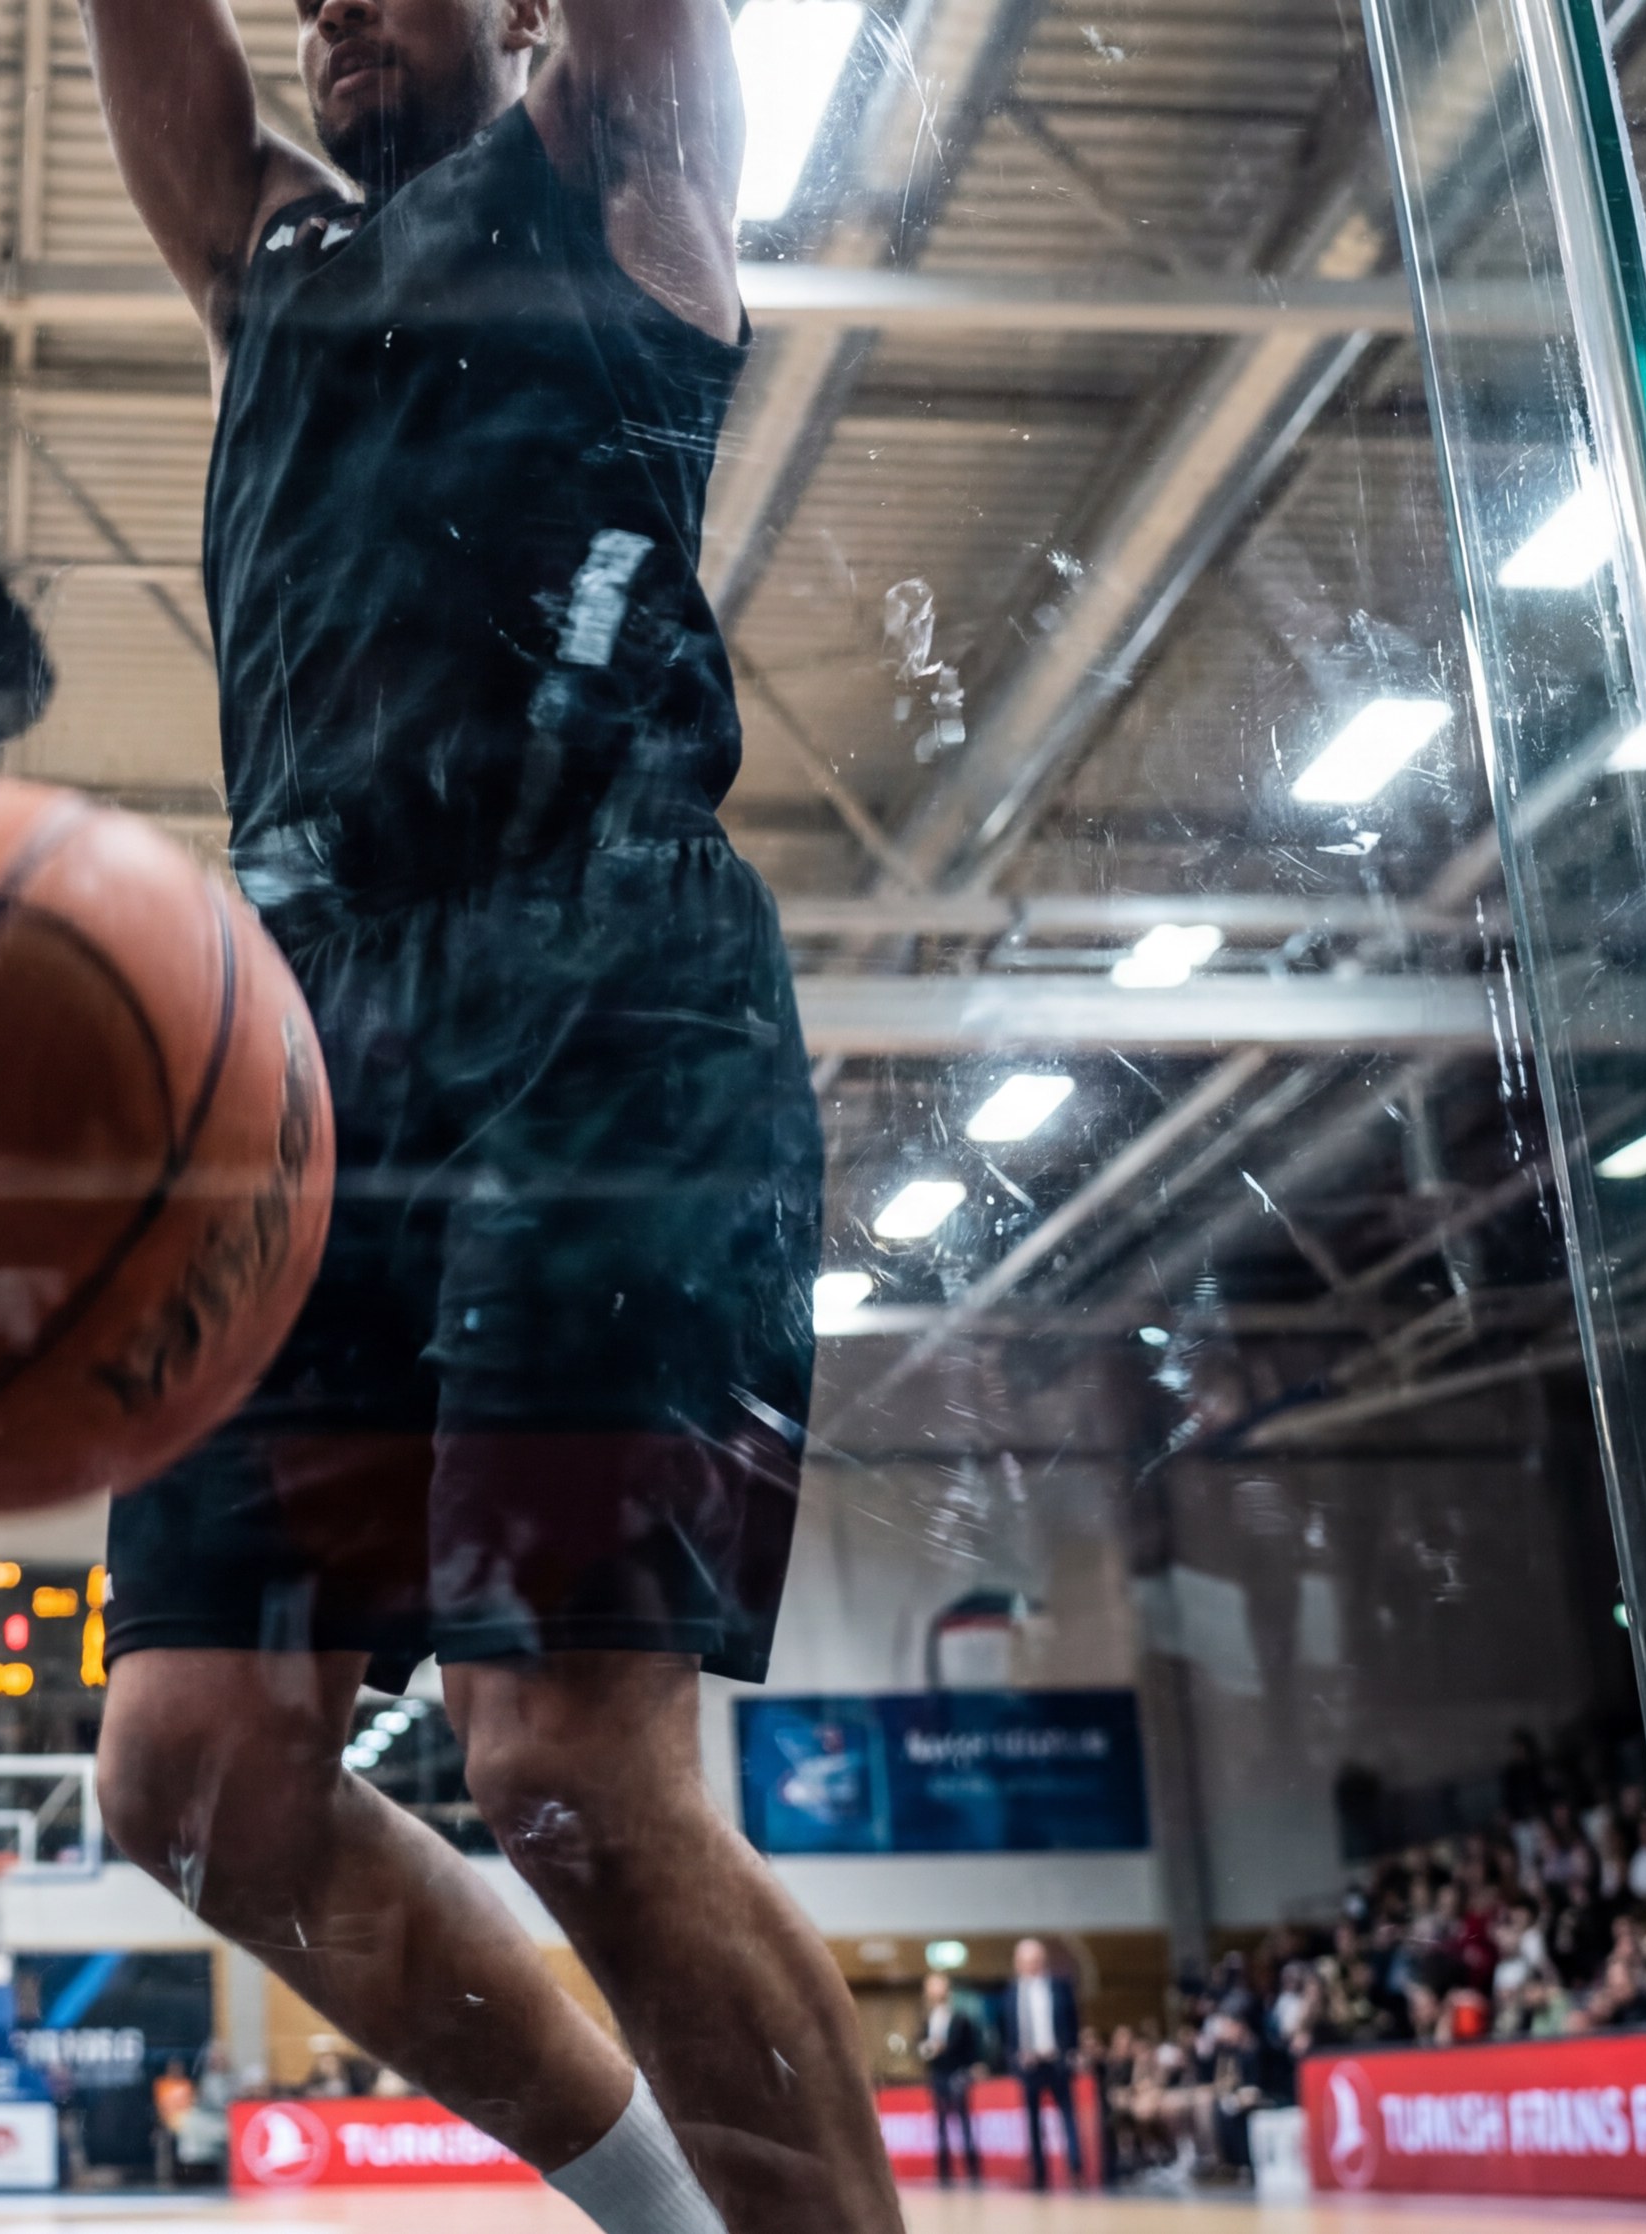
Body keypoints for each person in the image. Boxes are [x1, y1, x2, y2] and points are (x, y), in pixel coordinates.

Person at [71, 0, 863, 2213]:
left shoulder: (612, 156)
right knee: (190, 1770)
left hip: (602, 982)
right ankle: (656, 2205)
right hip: (307, 1052)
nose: (327, 5)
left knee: (570, 1761)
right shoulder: (261, 259)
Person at [1006, 1939, 1088, 2191]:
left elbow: (1073, 2023)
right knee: (1032, 2120)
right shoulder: (1011, 1993)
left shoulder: (1059, 1987)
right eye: (1025, 1961)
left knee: (1067, 2115)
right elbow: (1007, 2031)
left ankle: (1075, 2167)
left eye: (1035, 1960)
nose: (1030, 1965)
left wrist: (1070, 2052)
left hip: (1057, 2062)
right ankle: (1039, 2172)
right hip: (1029, 2066)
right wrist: (1016, 2057)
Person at [919, 1971, 986, 2186]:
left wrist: (973, 2066)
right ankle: (944, 2171)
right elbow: (920, 2045)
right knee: (941, 2124)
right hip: (938, 2074)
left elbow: (970, 2046)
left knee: (964, 2121)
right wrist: (928, 2050)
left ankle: (972, 2169)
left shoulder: (960, 2018)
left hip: (957, 2073)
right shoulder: (926, 2019)